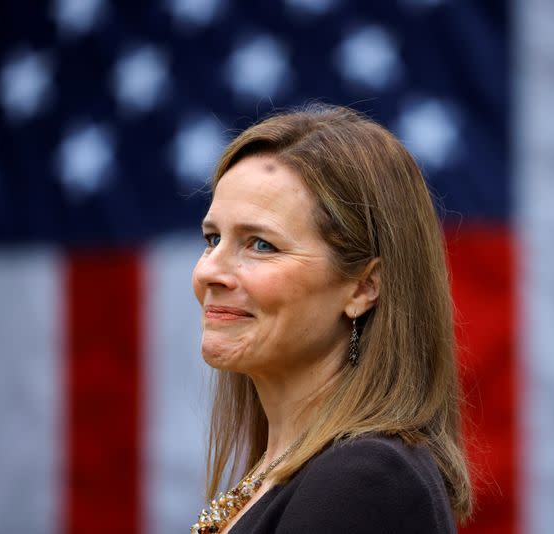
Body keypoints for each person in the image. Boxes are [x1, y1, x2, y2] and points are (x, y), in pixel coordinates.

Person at [190, 104, 472, 533]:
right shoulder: (297, 471)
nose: (209, 270)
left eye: (261, 245)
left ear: (363, 287)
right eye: (213, 239)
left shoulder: (366, 479)